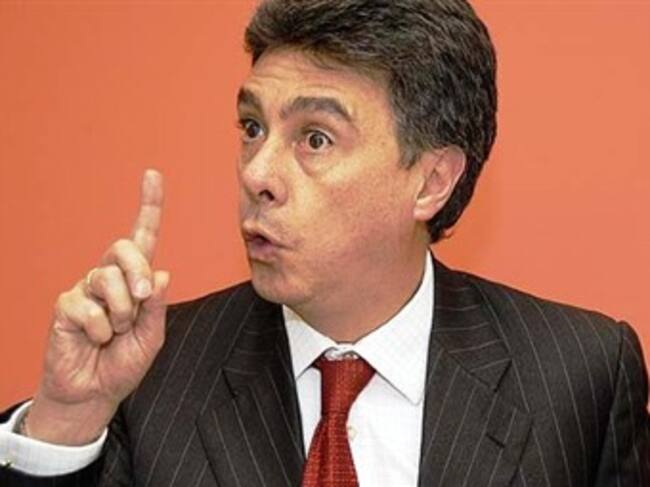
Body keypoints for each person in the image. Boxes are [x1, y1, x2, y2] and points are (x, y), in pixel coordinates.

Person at [1, 0, 648, 485]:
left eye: (315, 138)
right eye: (252, 128)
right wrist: (66, 422)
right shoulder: (149, 376)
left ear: (431, 181)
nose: (257, 173)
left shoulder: (579, 375)